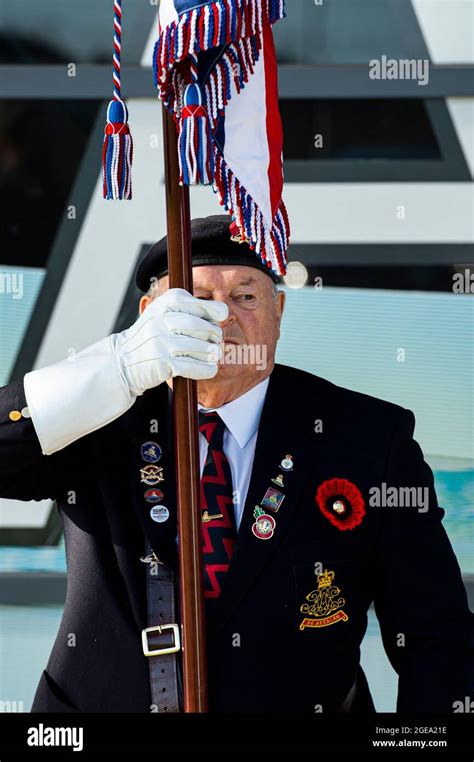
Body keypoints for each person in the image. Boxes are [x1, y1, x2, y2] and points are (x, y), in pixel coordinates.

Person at [0, 215, 471, 713]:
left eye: (246, 297)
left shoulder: (367, 438)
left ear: (279, 310)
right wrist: (112, 369)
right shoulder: (96, 422)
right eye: (196, 301)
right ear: (148, 315)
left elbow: (435, 636)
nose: (221, 317)